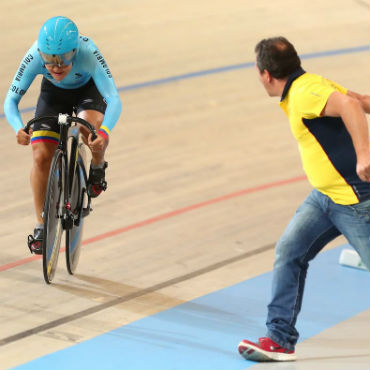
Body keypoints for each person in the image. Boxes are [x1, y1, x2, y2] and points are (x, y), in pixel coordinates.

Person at [238, 37, 370, 362]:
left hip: (355, 202)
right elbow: (361, 100)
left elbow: (352, 106)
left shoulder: (305, 93)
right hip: (324, 199)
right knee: (289, 252)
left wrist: (364, 153)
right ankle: (280, 340)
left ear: (265, 74)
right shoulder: (309, 85)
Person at [3, 16, 122, 255]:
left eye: (63, 61)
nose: (56, 67)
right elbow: (11, 100)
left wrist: (105, 132)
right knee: (40, 157)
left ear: (75, 52)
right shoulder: (35, 54)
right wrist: (18, 127)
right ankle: (40, 224)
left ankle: (97, 166)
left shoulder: (88, 53)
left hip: (87, 92)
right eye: (49, 61)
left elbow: (114, 99)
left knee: (89, 129)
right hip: (53, 96)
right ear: (41, 53)